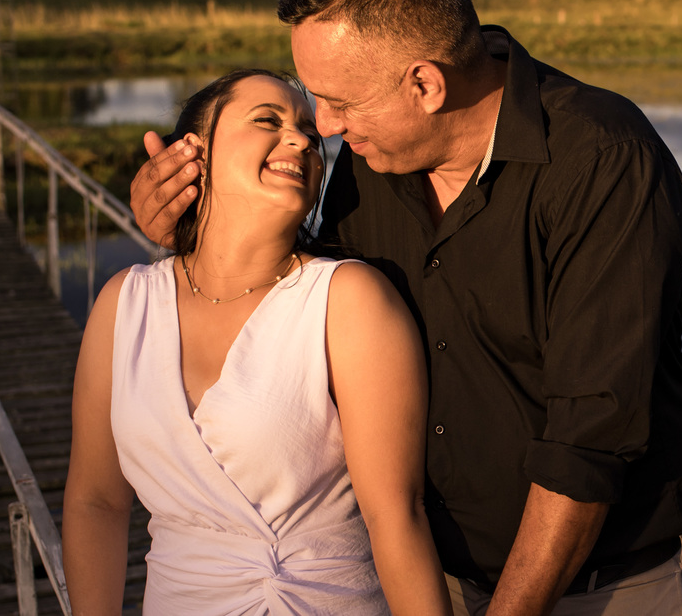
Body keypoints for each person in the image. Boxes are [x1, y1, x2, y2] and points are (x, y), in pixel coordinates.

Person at [132, 0, 682, 616]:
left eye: (339, 101)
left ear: (426, 84)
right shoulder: (377, 156)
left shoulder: (605, 162)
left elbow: (587, 444)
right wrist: (189, 228)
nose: (326, 127)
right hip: (417, 581)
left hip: (604, 589)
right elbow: (305, 294)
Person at [65, 70, 453, 615]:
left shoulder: (347, 299)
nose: (301, 140)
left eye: (310, 135)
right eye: (268, 121)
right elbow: (95, 501)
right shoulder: (125, 303)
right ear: (193, 153)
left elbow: (397, 518)